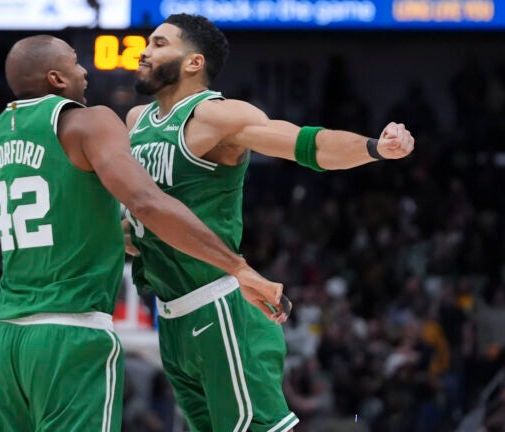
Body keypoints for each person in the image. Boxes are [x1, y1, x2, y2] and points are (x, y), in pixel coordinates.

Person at [124, 13, 416, 432]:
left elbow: (307, 144)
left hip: (220, 305)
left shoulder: (218, 117)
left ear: (193, 62)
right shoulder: (136, 123)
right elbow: (140, 224)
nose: (145, 52)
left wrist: (375, 148)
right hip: (171, 315)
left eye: (159, 43)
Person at [0, 35, 286, 432]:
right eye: (76, 63)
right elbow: (147, 202)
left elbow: (2, 234)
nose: (85, 71)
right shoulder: (90, 121)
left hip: (6, 340)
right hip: (70, 333)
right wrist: (238, 268)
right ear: (57, 79)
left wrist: (106, 237)